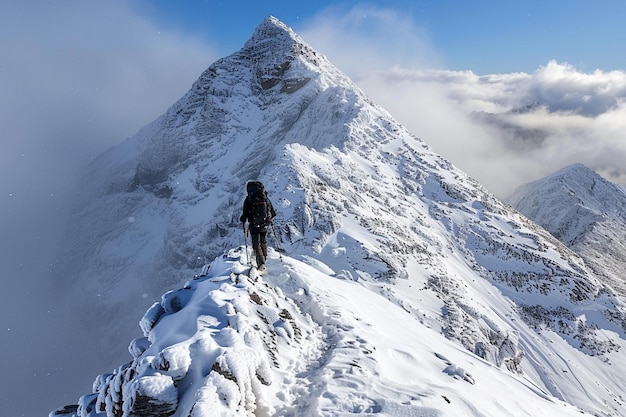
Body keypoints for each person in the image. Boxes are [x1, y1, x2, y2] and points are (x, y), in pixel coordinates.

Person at [240, 181, 276, 271]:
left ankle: (261, 263)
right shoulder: (265, 198)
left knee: (256, 243)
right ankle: (264, 258)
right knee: (263, 241)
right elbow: (272, 212)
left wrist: (244, 220)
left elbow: (245, 214)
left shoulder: (249, 199)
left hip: (254, 224)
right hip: (265, 223)